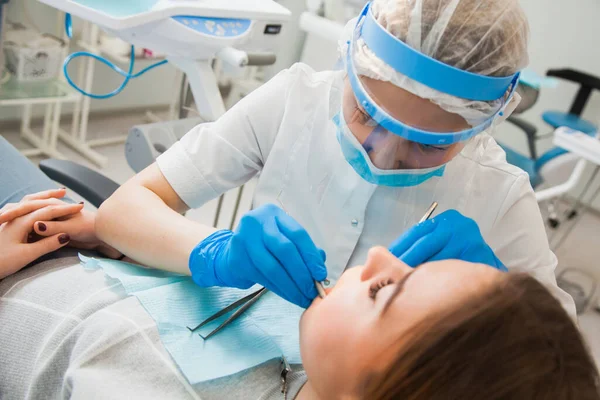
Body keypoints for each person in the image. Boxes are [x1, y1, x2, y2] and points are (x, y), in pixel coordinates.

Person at [1, 137, 599, 399]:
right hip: (59, 241)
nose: (380, 255)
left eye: (386, 290)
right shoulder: (309, 341)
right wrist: (114, 243)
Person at [95, 0, 574, 315]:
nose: (382, 156)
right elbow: (123, 211)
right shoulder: (295, 99)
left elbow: (561, 369)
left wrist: (499, 301)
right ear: (349, 61)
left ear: (487, 121)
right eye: (367, 113)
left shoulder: (500, 194)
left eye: (428, 143)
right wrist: (214, 253)